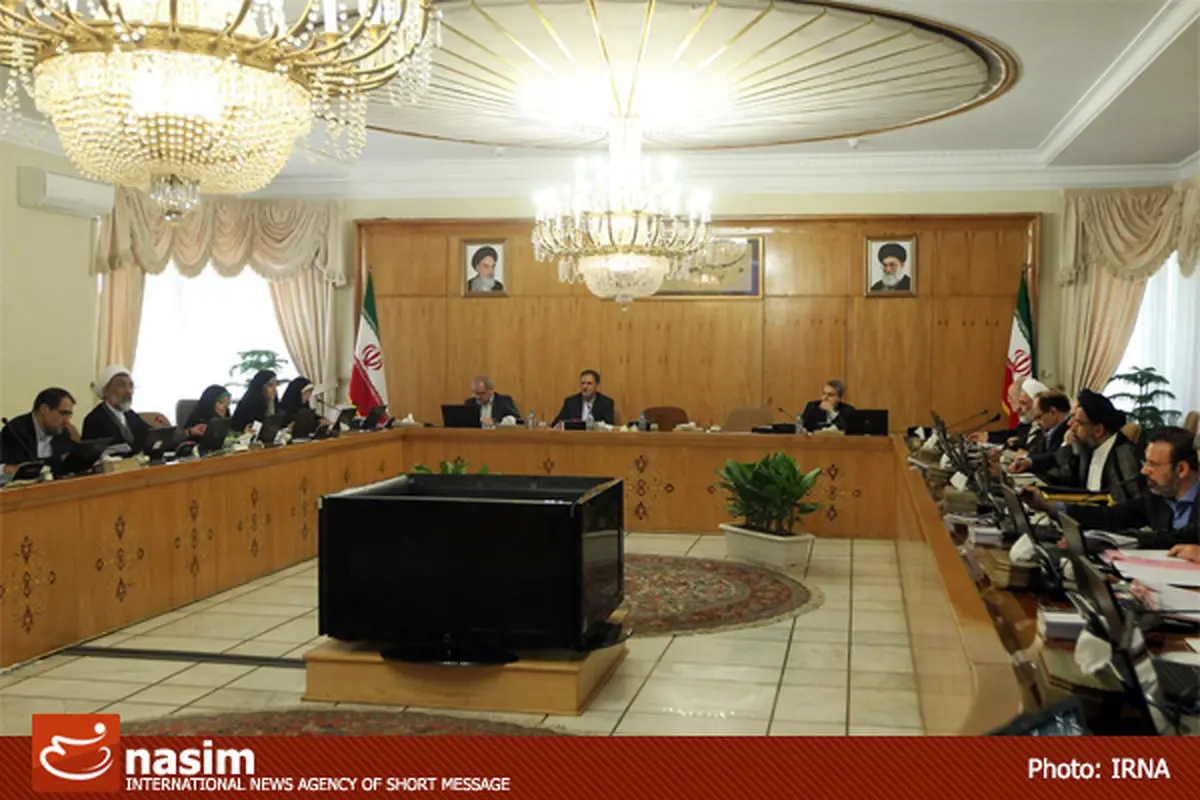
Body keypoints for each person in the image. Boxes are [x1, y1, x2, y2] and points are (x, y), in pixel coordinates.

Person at [1021, 427, 1196, 550]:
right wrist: (1050, 506)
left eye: (1152, 464)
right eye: (1145, 463)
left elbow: (1175, 539)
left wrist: (1111, 541)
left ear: (1181, 469)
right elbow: (1111, 516)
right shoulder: (1158, 496)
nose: (1144, 471)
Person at [1053, 389, 1144, 501]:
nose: (1070, 425)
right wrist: (1068, 446)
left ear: (1098, 430)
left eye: (1078, 422)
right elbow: (1062, 480)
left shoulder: (1124, 456)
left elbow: (1134, 502)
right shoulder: (1088, 449)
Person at [81, 365, 151, 450]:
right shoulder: (94, 419)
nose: (128, 391)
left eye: (131, 385)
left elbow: (150, 434)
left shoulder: (130, 414)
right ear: (106, 391)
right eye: (122, 385)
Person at [1, 388, 76, 468]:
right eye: (63, 413)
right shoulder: (15, 432)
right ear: (44, 409)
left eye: (69, 415)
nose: (66, 421)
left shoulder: (63, 433)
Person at [1010, 392, 1071, 475]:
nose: (1037, 423)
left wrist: (1028, 460)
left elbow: (1054, 457)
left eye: (1039, 417)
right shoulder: (1050, 427)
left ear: (1053, 412)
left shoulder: (1068, 429)